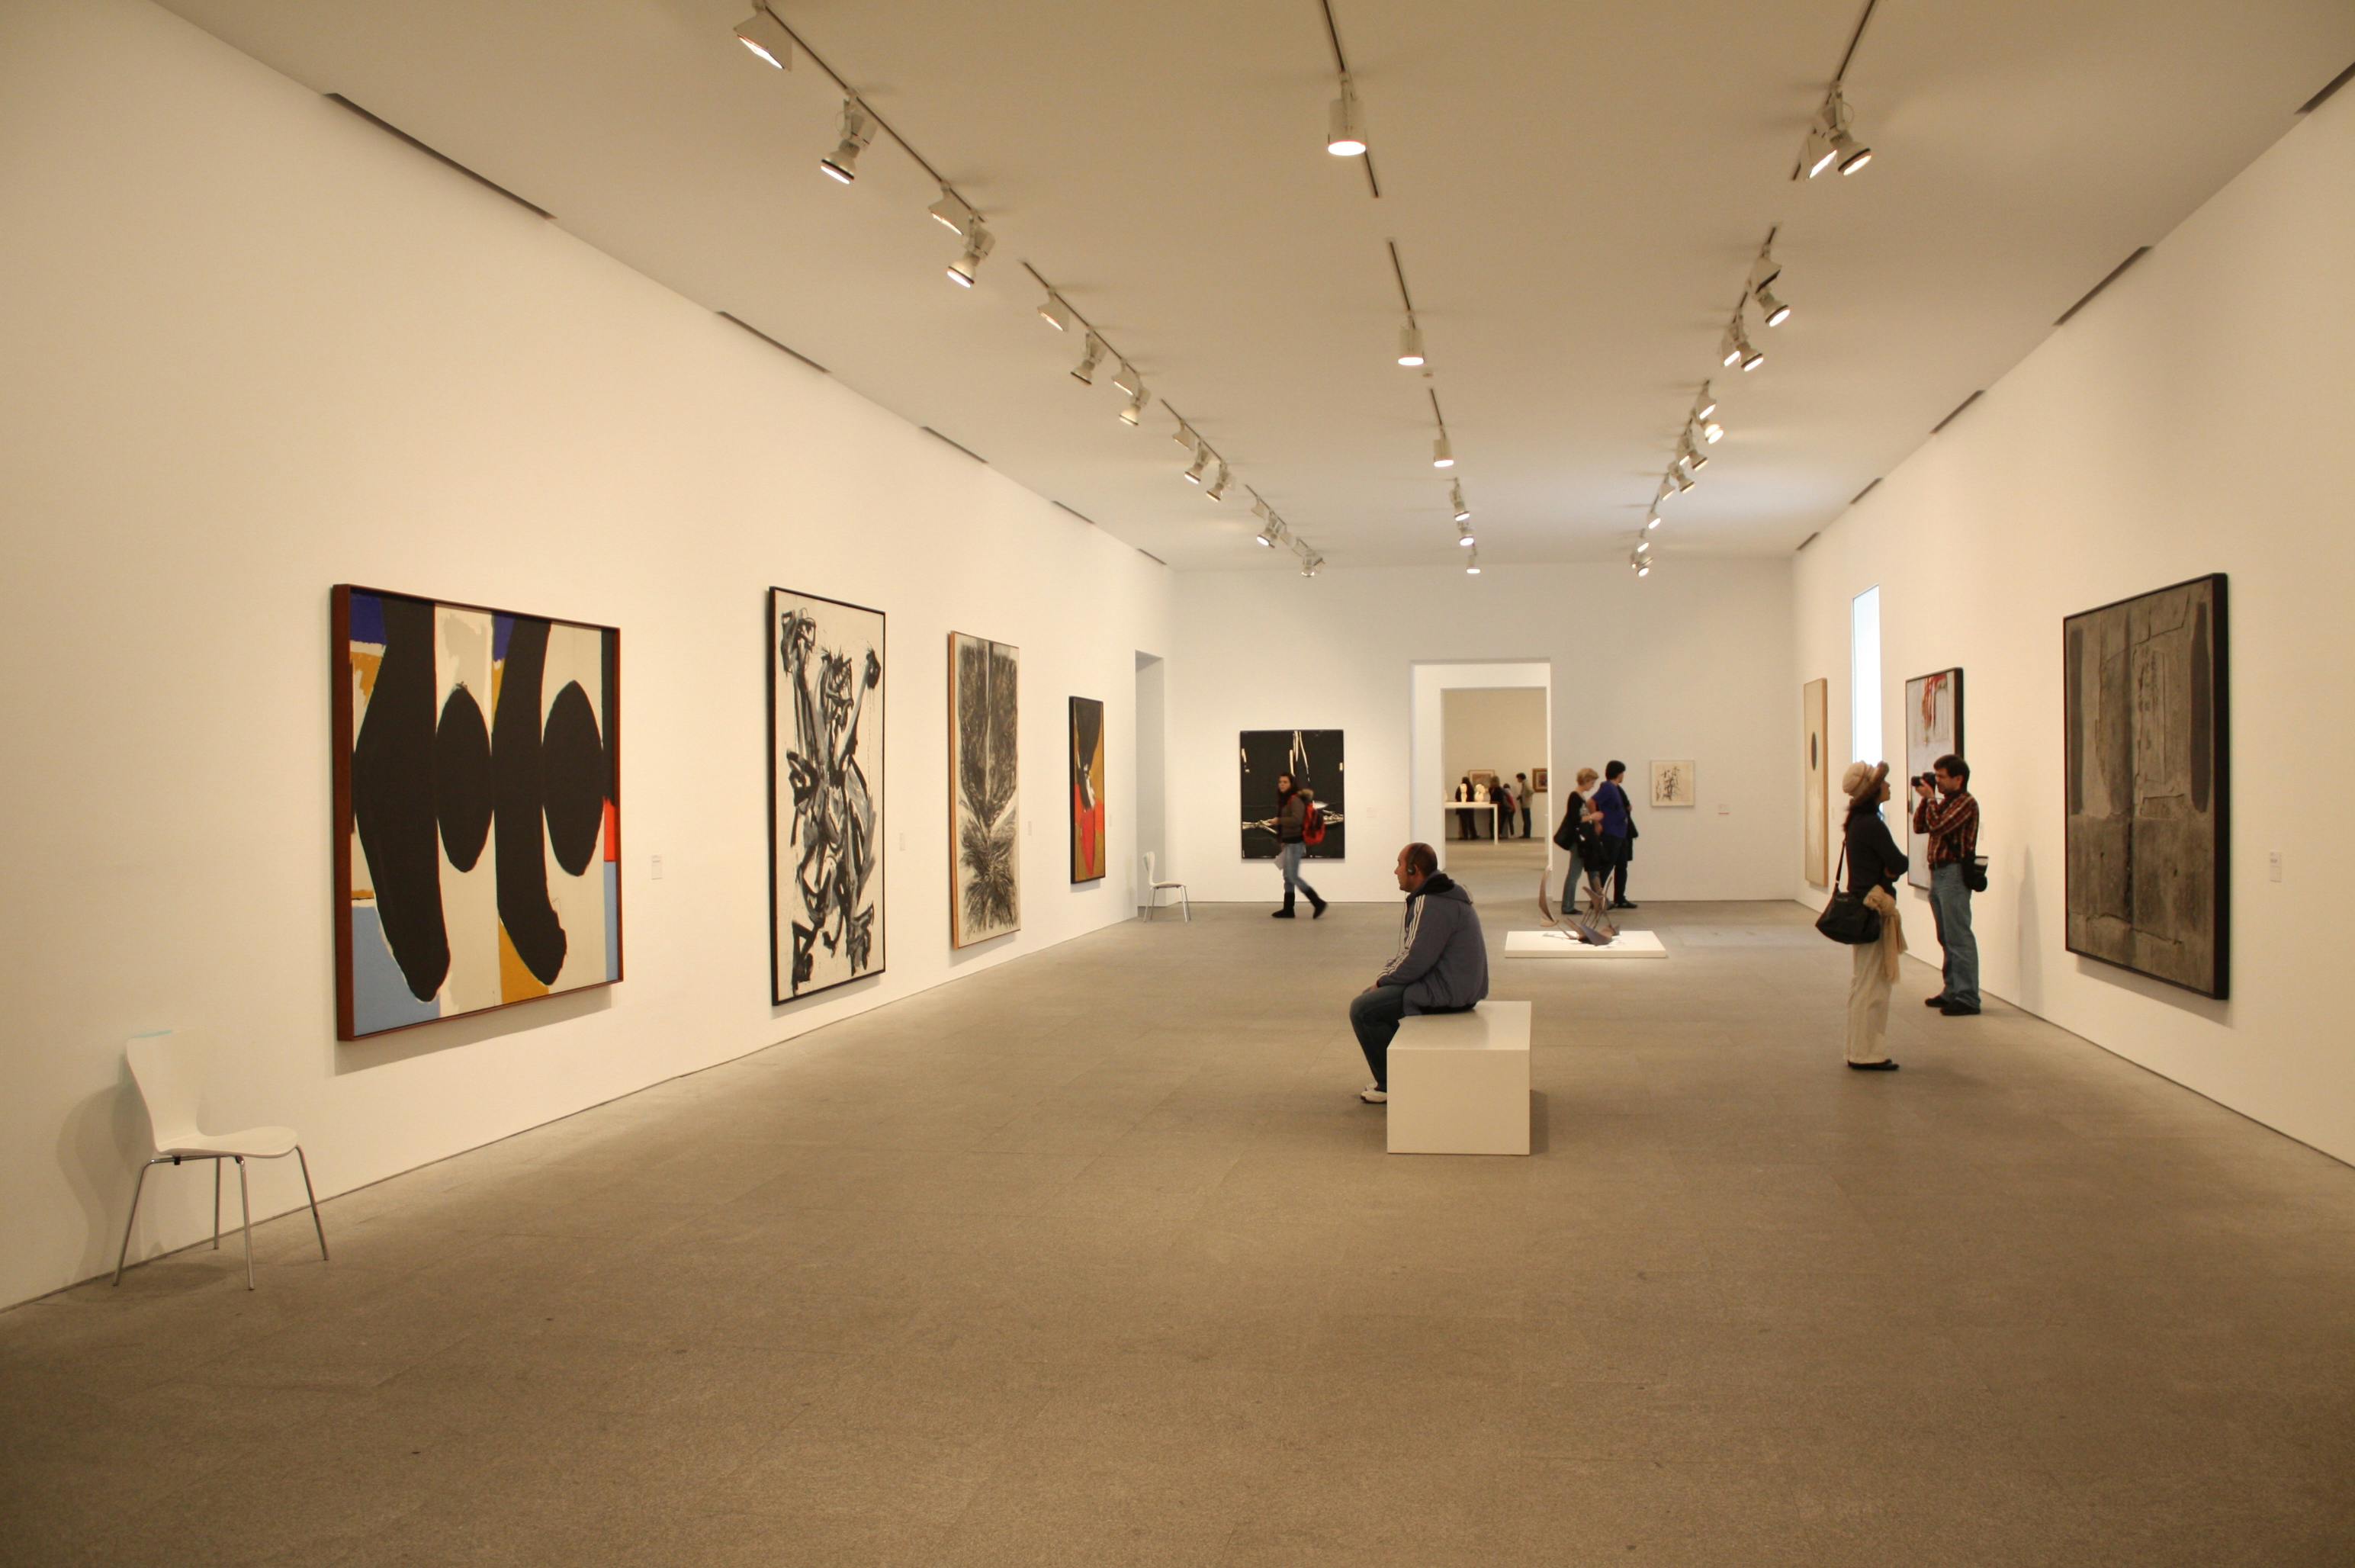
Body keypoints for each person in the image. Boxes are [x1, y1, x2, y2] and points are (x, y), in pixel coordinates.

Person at [1349, 843, 1489, 1103]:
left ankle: (1391, 1083)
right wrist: (1384, 980)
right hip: (1459, 985)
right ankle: (1402, 1072)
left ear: (1414, 869)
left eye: (1400, 865)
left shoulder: (1431, 902)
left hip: (1449, 990)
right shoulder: (1444, 895)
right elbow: (1415, 953)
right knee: (1375, 1003)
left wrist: (1381, 981)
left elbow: (1415, 960)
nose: (1395, 872)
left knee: (1363, 1008)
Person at [1841, 761, 1910, 1072]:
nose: (1890, 786)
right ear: (1873, 791)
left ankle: (1860, 1048)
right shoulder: (1871, 824)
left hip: (1864, 904)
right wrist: (1890, 869)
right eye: (1884, 782)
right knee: (1872, 984)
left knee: (1864, 981)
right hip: (1873, 906)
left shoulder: (1859, 822)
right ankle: (1866, 1054)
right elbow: (1899, 861)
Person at [1913, 754, 1981, 1016]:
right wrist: (1926, 800)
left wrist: (1931, 799)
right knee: (1946, 937)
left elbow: (1938, 826)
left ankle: (1968, 996)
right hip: (1938, 874)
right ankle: (1952, 989)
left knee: (1959, 937)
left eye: (1941, 777)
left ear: (1958, 779)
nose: (1937, 781)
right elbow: (1921, 826)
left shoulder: (1966, 803)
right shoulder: (1944, 803)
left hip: (1953, 875)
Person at [1551, 768, 1613, 943]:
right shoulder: (1575, 796)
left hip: (1583, 841)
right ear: (1586, 780)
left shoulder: (1580, 797)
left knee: (1587, 871)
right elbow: (1574, 819)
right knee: (1575, 873)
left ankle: (1598, 902)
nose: (1593, 785)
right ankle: (1568, 905)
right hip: (1578, 842)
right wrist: (1593, 816)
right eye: (1592, 782)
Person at [1269, 772, 1328, 920]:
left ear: (1291, 784)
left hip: (1295, 843)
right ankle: (1288, 909)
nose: (1282, 784)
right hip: (1289, 842)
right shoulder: (1286, 800)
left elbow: (1297, 820)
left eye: (1285, 782)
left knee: (1293, 876)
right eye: (1280, 782)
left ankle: (1318, 902)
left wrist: (1279, 821)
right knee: (1288, 877)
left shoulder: (1294, 799)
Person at [1595, 761, 1637, 908]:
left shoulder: (1616, 788)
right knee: (1607, 866)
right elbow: (1592, 802)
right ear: (1619, 773)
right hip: (1611, 833)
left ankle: (1620, 898)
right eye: (1623, 772)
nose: (1623, 775)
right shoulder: (1607, 787)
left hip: (1621, 833)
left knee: (1621, 866)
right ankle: (1596, 899)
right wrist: (1598, 822)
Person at [1451, 776, 1477, 840]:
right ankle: (1473, 835)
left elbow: (1457, 796)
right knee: (1471, 821)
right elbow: (1472, 797)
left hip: (1462, 807)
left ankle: (1465, 836)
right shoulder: (1471, 788)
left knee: (1464, 822)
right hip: (1470, 807)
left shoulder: (1460, 788)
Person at [1514, 773, 1534, 840]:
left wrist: (1525, 797)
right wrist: (1521, 796)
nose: (1517, 780)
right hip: (1525, 804)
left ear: (1520, 778)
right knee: (1526, 819)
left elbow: (1531, 791)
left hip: (1526, 804)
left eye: (1518, 778)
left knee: (1526, 820)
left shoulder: (1526, 783)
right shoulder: (1524, 783)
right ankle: (1526, 834)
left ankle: (1527, 834)